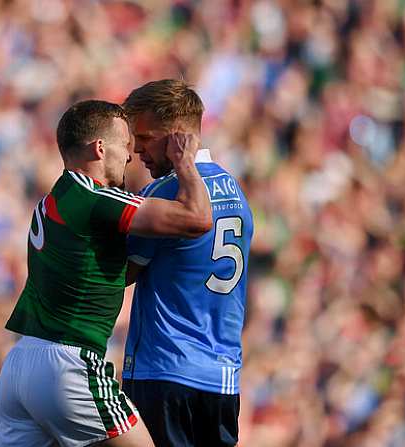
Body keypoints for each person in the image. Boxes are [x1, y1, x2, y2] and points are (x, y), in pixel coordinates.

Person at [0, 99, 212, 447]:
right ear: (99, 147)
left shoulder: (52, 201)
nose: (129, 156)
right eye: (125, 145)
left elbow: (106, 273)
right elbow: (197, 219)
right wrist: (186, 162)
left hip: (19, 364)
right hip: (67, 364)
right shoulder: (93, 198)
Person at [120, 80, 254, 447]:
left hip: (165, 370)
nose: (136, 151)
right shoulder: (236, 191)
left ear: (178, 137)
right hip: (222, 378)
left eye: (144, 138)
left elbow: (121, 274)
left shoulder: (164, 194)